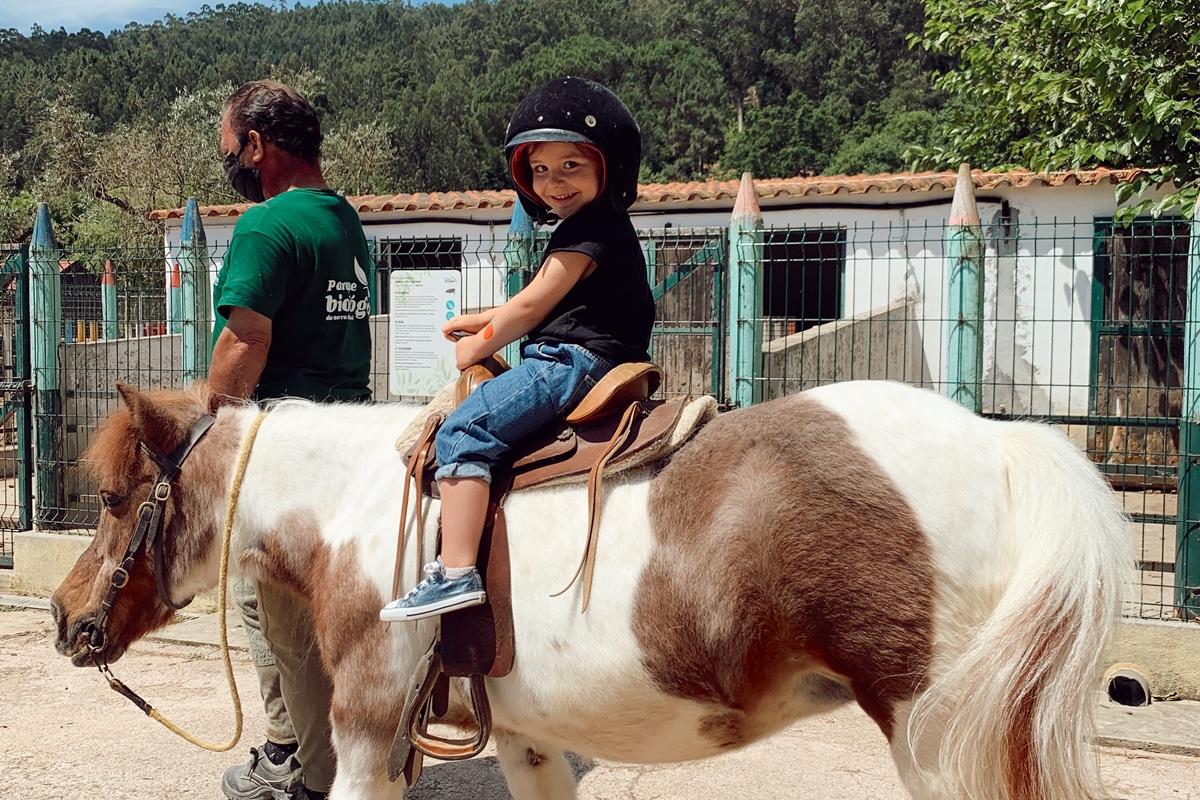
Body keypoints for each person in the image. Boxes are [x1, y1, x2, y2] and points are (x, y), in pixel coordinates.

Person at [380, 76, 653, 622]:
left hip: (570, 363)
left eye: (571, 165)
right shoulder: (593, 229)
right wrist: (480, 318)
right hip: (582, 354)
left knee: (464, 430)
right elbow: (539, 300)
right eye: (541, 169)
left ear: (608, 164)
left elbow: (529, 311)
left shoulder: (589, 231)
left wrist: (476, 346)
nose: (555, 182)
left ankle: (454, 572)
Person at [211, 79, 372, 800]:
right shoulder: (343, 220)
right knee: (268, 607)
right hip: (349, 445)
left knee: (290, 626)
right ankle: (288, 746)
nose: (231, 169)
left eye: (230, 153)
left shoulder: (267, 225)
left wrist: (204, 426)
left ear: (257, 144)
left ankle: (314, 782)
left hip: (285, 454)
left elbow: (245, 339)